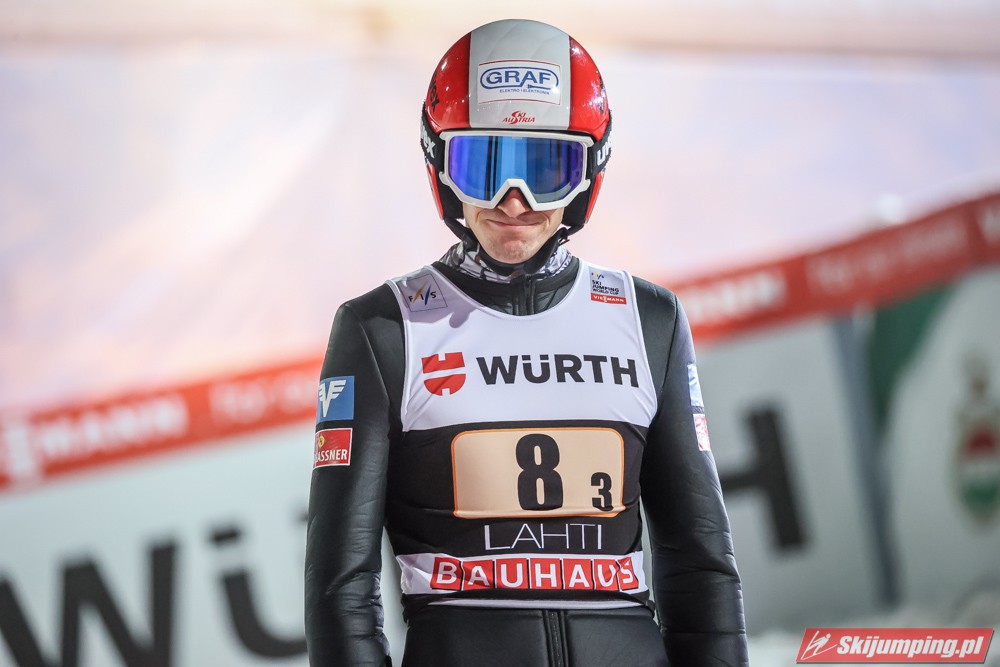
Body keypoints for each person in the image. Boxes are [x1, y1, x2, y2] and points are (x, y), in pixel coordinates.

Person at [305, 18, 748, 667]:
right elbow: (339, 587)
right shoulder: (381, 330)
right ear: (440, 167)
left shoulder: (648, 318)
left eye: (546, 167)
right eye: (483, 165)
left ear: (590, 170)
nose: (513, 201)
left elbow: (700, 561)